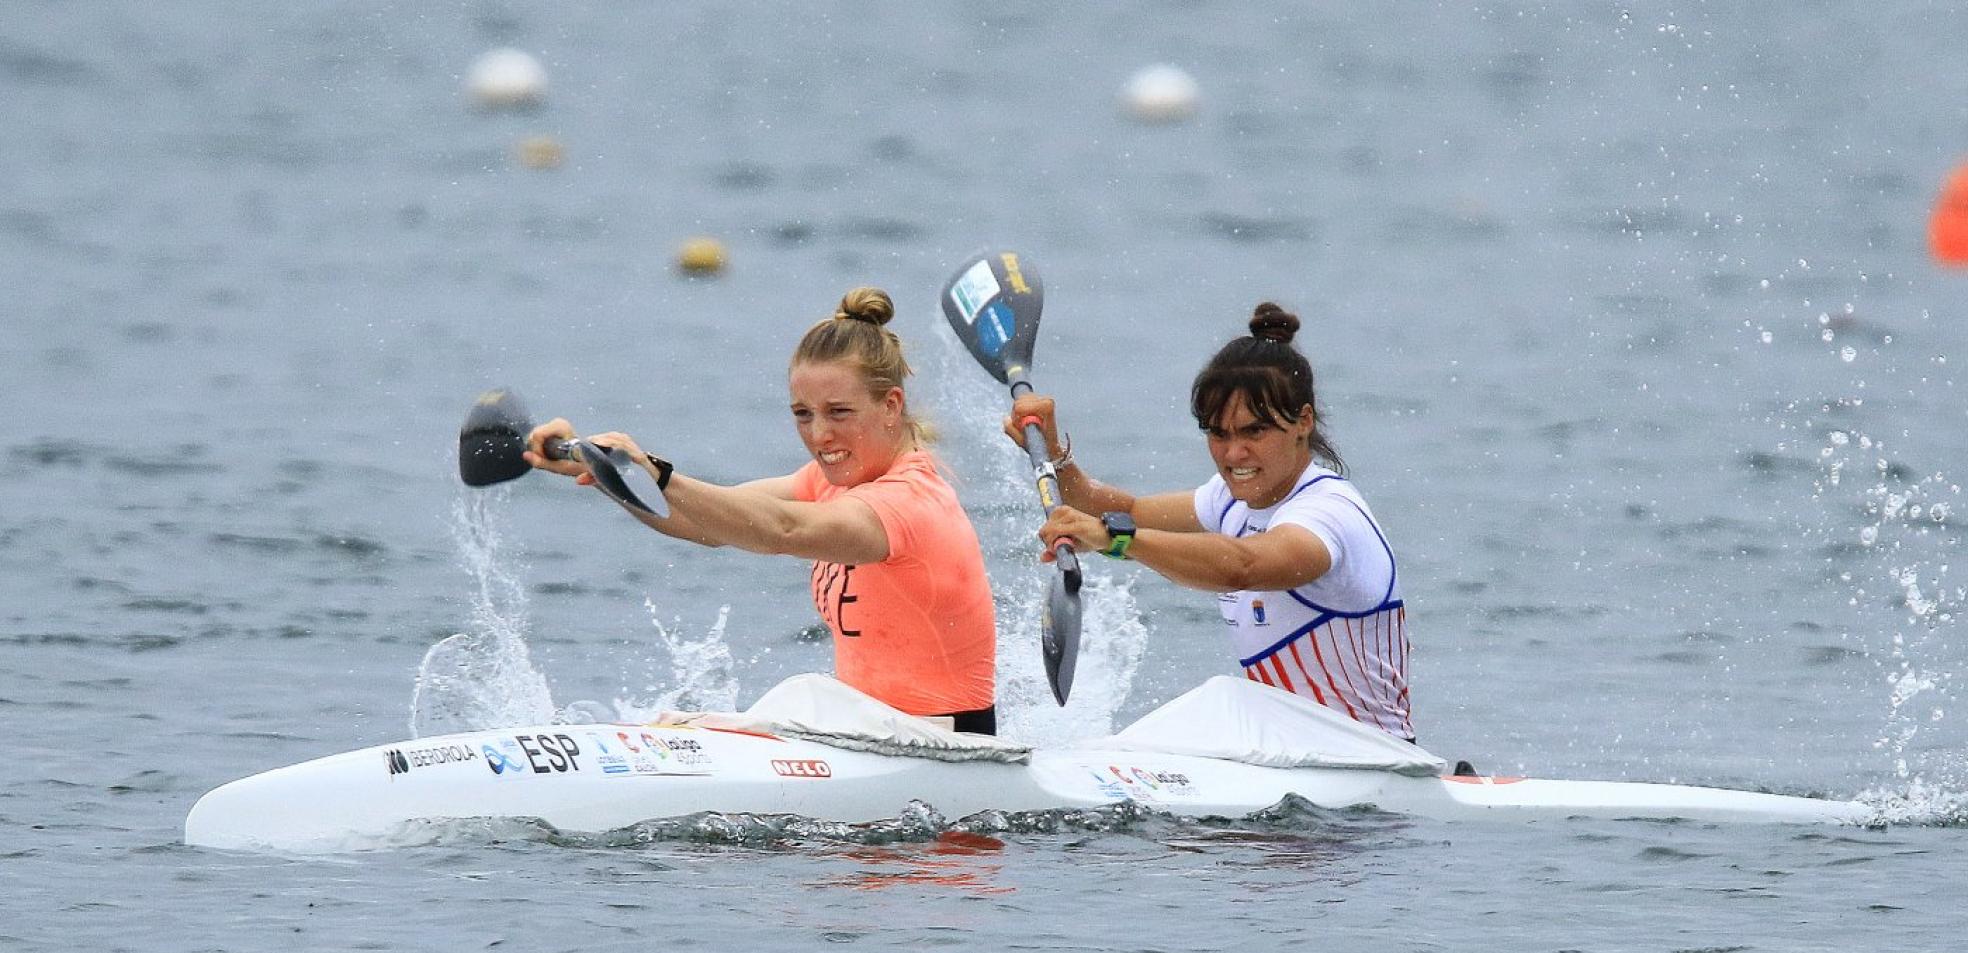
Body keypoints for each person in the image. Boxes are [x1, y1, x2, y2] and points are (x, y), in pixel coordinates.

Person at [526, 287, 999, 734]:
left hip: (942, 745)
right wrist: (612, 477)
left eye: (839, 412)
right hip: (866, 728)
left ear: (891, 405)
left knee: (789, 698)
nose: (818, 435)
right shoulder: (828, 482)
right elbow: (707, 524)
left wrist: (658, 472)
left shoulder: (911, 504)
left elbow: (783, 530)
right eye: (802, 414)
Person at [1005, 302, 1412, 739]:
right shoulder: (1231, 500)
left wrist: (1115, 540)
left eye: (1254, 432)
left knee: (1218, 699)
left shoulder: (1330, 513)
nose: (1233, 454)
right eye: (1219, 434)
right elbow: (1117, 510)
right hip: (1288, 751)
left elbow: (1242, 566)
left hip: (1369, 759)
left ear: (1303, 422)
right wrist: (1053, 453)